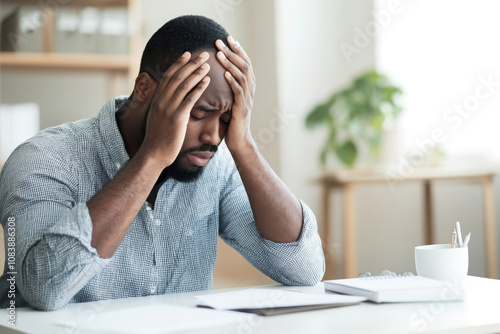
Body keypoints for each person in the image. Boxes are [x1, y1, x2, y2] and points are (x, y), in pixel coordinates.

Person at [0, 15, 324, 311]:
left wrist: (244, 145)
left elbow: (306, 270)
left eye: (227, 118)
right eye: (197, 114)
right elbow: (42, 288)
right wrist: (153, 155)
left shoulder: (216, 164)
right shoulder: (44, 158)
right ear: (144, 89)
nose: (214, 135)